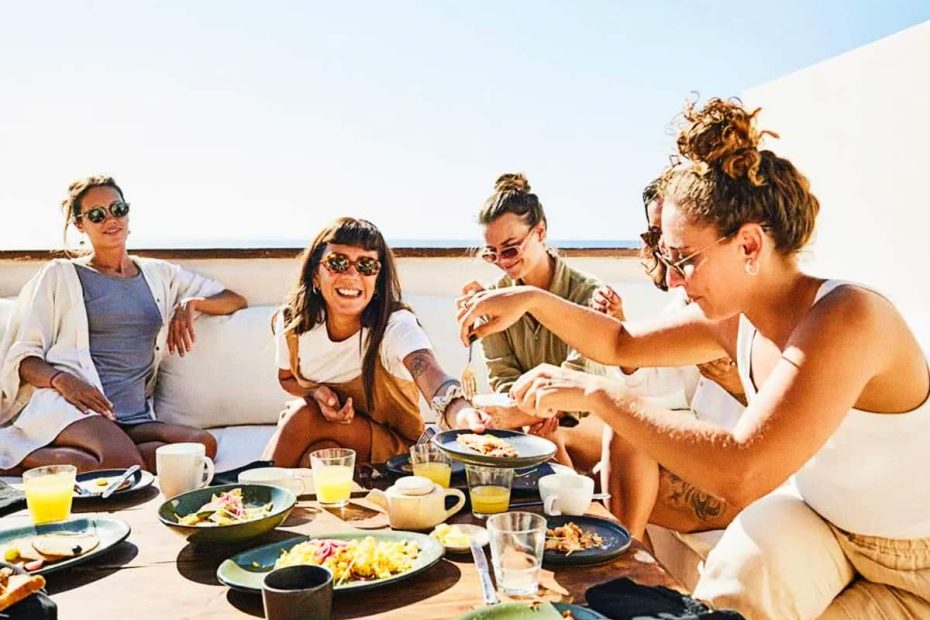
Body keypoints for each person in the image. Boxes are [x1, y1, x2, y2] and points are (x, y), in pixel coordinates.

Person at [458, 98, 930, 619]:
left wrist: (599, 393)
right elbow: (621, 344)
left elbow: (744, 469)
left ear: (749, 246)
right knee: (741, 572)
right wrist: (530, 299)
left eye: (683, 259)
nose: (673, 279)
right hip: (824, 522)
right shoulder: (740, 316)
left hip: (915, 563)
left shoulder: (849, 318)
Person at [0, 175, 247, 474]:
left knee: (199, 447)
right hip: (73, 406)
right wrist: (63, 381)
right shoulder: (60, 275)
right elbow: (25, 358)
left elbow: (234, 299)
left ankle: (99, 455)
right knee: (126, 465)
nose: (110, 219)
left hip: (132, 416)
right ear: (80, 225)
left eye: (117, 209)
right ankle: (9, 457)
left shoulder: (158, 274)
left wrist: (191, 303)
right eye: (96, 215)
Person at [263, 217, 490, 467]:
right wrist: (315, 392)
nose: (352, 274)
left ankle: (252, 495)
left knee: (305, 416)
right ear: (315, 274)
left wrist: (462, 412)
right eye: (337, 263)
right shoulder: (293, 324)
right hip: (337, 442)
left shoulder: (395, 326)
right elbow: (287, 378)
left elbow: (430, 374)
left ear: (377, 280)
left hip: (396, 452)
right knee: (321, 456)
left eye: (366, 265)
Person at [590, 179, 746, 542]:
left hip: (749, 478)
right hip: (709, 459)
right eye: (654, 234)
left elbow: (788, 432)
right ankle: (636, 575)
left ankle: (623, 568)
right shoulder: (687, 304)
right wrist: (625, 343)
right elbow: (659, 384)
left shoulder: (752, 310)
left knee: (613, 464)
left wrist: (735, 384)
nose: (664, 248)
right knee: (616, 454)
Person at [459, 173, 606, 472]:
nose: (503, 261)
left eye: (511, 248)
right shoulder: (492, 297)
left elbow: (580, 384)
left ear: (540, 232)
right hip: (531, 423)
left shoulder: (588, 294)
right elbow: (502, 376)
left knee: (534, 439)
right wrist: (528, 413)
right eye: (492, 254)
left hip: (587, 423)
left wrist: (519, 414)